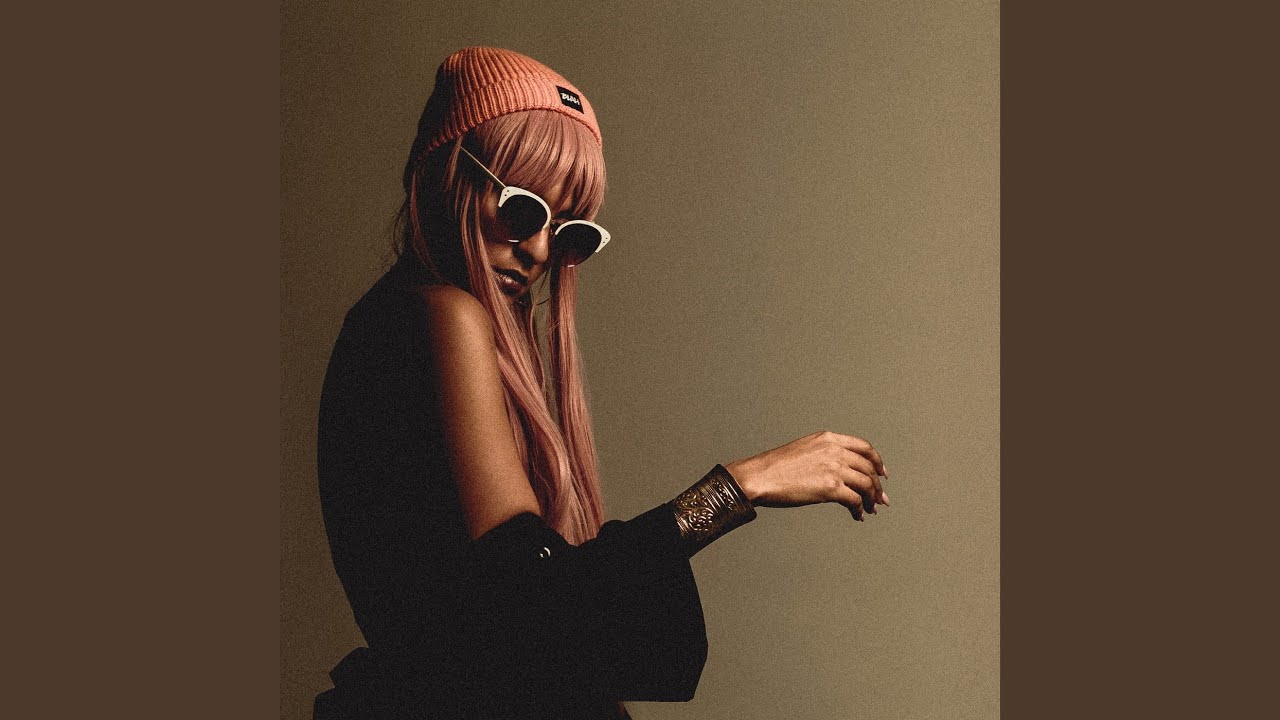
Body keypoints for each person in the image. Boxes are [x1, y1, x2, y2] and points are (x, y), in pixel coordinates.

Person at [314, 46, 891, 720]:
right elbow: (531, 600)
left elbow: (499, 619)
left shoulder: (383, 324)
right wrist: (737, 488)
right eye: (522, 209)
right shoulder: (443, 315)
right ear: (446, 174)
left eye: (570, 234)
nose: (539, 251)